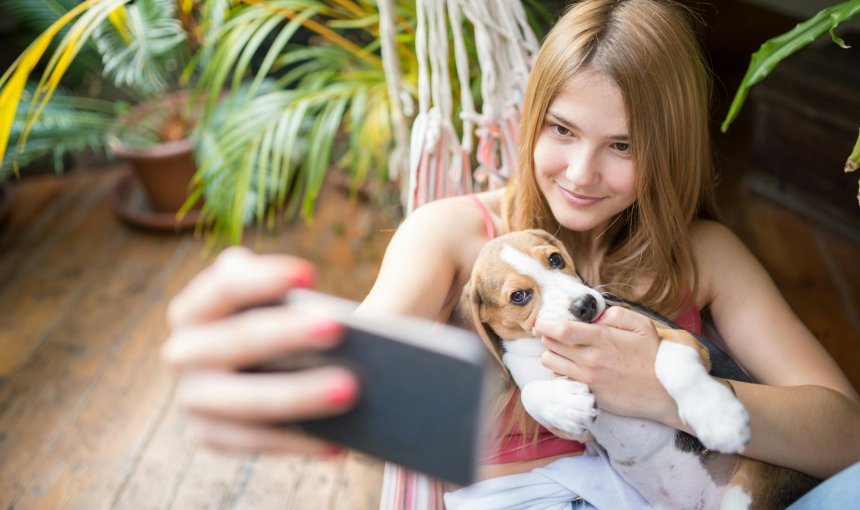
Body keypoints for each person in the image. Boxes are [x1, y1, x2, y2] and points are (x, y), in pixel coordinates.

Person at [162, 0, 860, 507]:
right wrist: (268, 363)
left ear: (668, 153)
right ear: (528, 122)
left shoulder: (702, 252)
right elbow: (355, 366)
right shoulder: (453, 237)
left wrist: (663, 391)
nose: (581, 173)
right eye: (562, 129)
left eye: (623, 146)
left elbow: (843, 433)